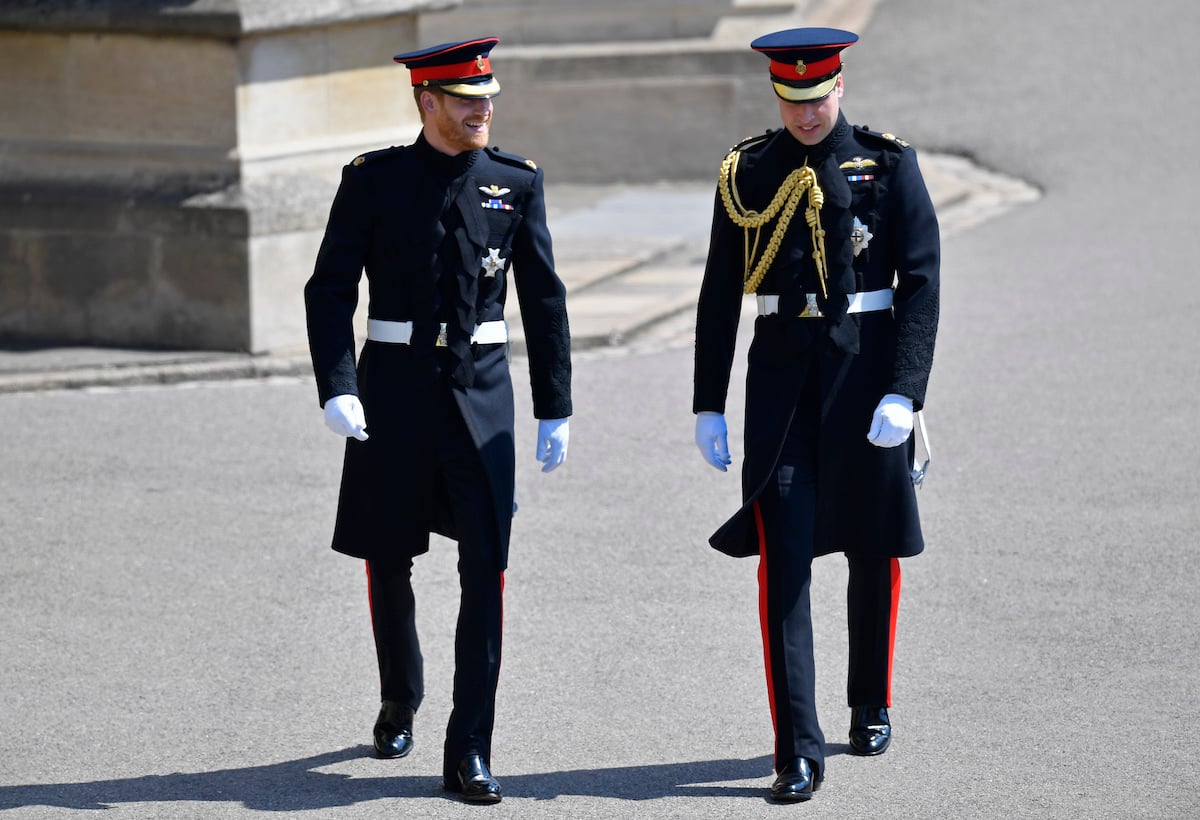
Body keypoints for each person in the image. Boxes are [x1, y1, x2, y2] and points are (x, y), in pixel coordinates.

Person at [304, 36, 572, 805]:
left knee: (484, 568)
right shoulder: (374, 181)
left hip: (481, 393)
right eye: (466, 99)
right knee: (388, 557)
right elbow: (329, 289)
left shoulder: (514, 182)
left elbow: (544, 300)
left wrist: (556, 406)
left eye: (488, 97)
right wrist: (338, 384)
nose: (482, 109)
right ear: (428, 102)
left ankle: (470, 748)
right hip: (390, 390)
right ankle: (400, 696)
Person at [692, 27, 939, 802]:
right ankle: (796, 749)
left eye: (817, 97)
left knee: (872, 549)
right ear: (778, 93)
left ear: (840, 87)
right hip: (780, 385)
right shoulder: (749, 170)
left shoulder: (888, 164)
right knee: (784, 565)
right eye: (791, 99)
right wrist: (708, 401)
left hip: (865, 379)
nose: (805, 114)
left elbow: (922, 281)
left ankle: (869, 699)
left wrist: (906, 390)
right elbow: (716, 293)